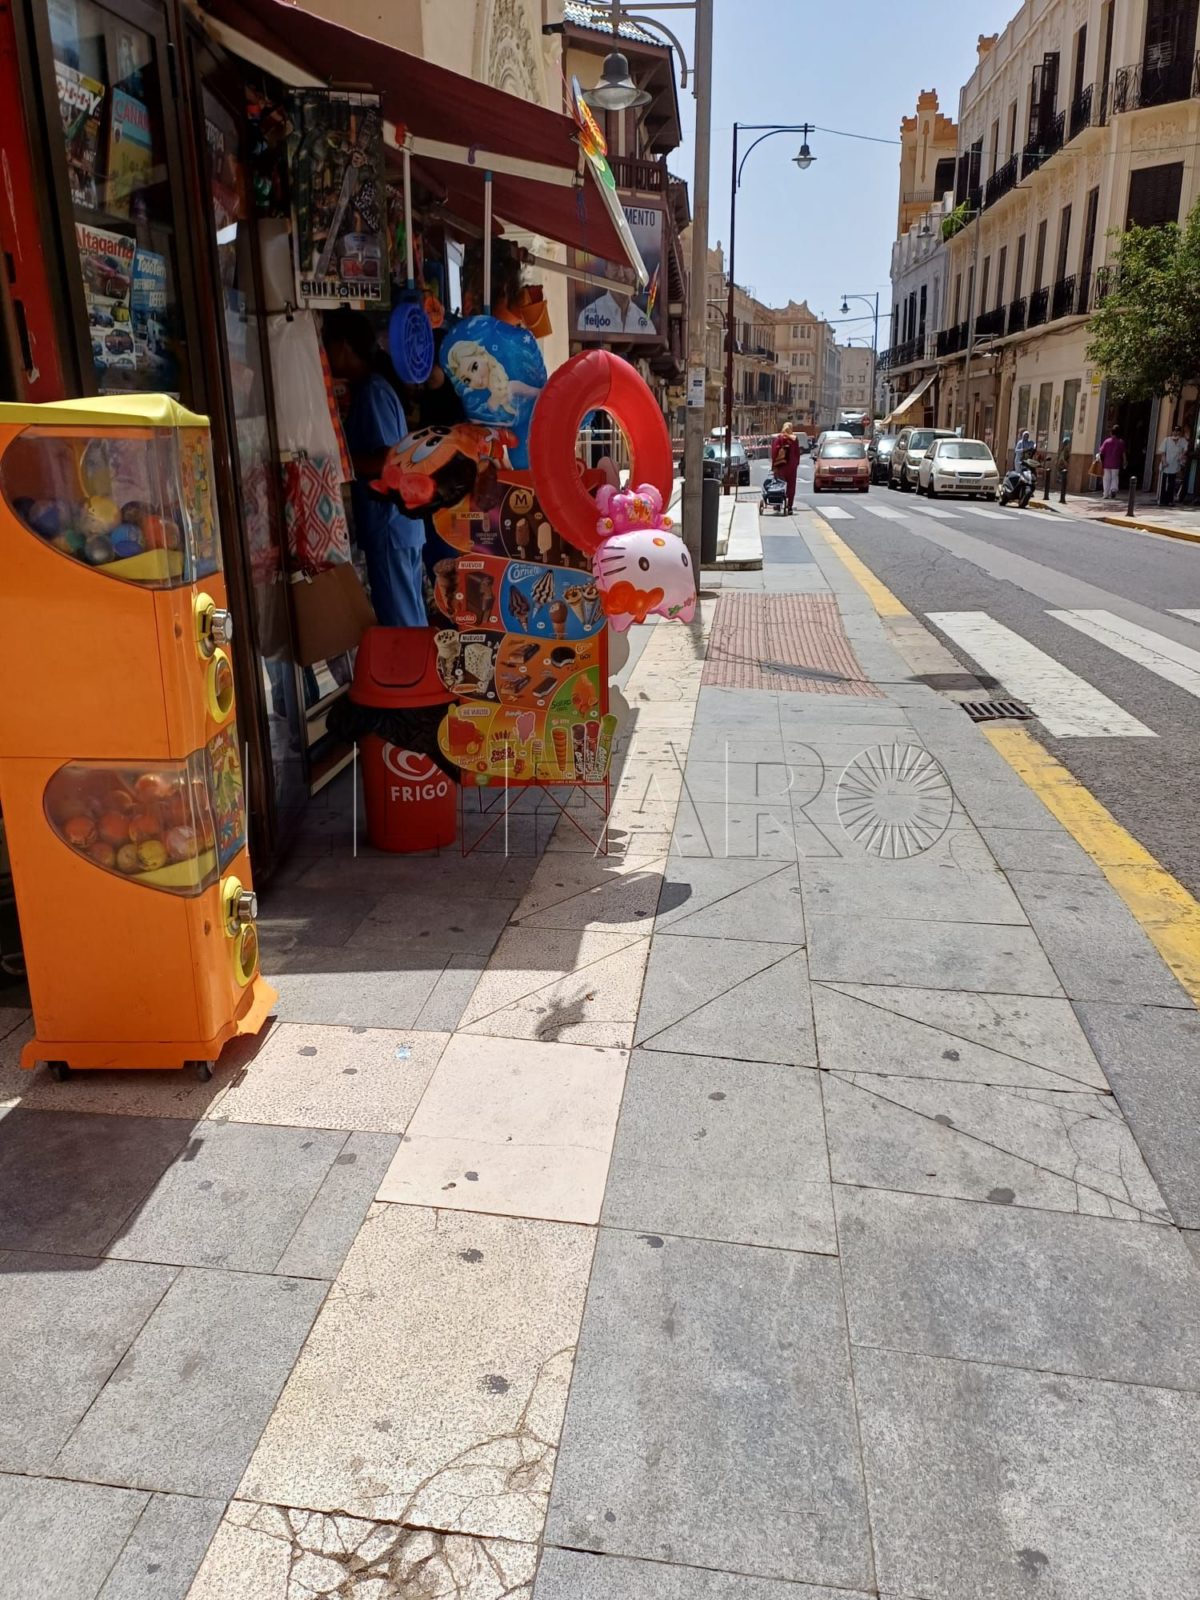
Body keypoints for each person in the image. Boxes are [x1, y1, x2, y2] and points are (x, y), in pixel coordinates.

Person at [324, 308, 426, 628]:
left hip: (390, 528)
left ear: (343, 346)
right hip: (398, 527)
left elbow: (385, 461)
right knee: (408, 618)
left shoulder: (372, 392)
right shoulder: (375, 388)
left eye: (328, 346)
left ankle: (415, 678)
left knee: (403, 626)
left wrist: (339, 460)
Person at [770, 420, 801, 514]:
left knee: (779, 485)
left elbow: (774, 453)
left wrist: (774, 466)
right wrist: (796, 464)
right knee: (791, 487)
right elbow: (797, 453)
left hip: (781, 466)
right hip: (792, 467)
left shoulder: (779, 438)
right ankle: (789, 506)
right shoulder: (794, 439)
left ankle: (778, 504)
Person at [1158, 424, 1189, 506]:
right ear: (1172, 431)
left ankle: (1170, 501)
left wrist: (1182, 456)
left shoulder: (1182, 441)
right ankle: (1162, 501)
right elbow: (1162, 452)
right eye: (1174, 431)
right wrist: (1164, 462)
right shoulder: (1167, 440)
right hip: (1166, 465)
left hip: (1174, 466)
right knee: (1164, 484)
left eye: (1178, 431)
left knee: (1171, 484)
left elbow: (1186, 448)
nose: (1176, 433)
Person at [1097, 424, 1126, 501]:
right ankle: (1113, 490)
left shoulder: (1106, 441)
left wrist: (1100, 461)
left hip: (1107, 463)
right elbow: (1123, 453)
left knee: (1106, 478)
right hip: (1116, 463)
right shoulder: (1121, 442)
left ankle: (1106, 493)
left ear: (1111, 433)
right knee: (1115, 477)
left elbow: (1101, 452)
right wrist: (1125, 462)